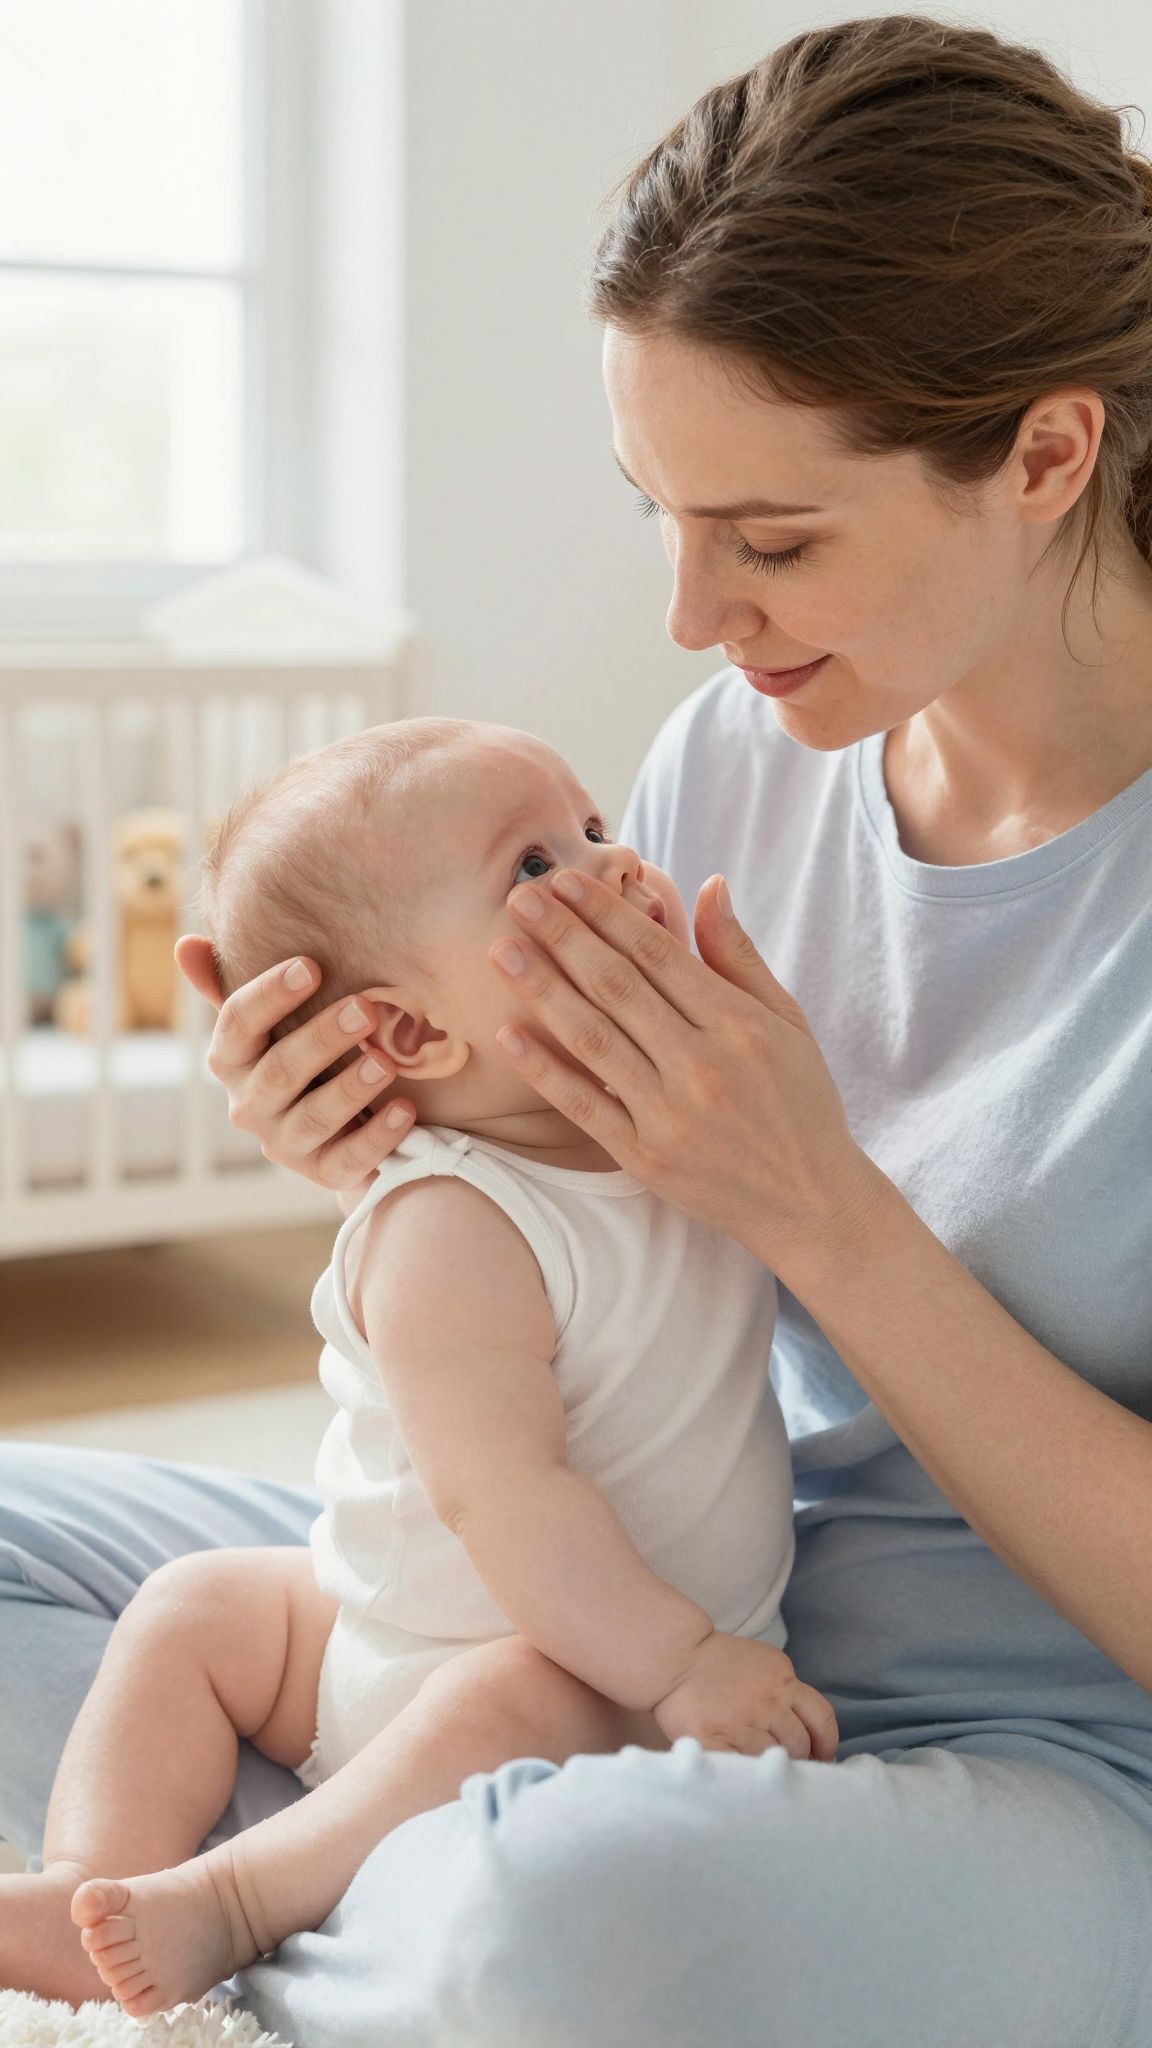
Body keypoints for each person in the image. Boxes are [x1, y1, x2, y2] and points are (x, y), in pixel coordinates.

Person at [3, 14, 1152, 2042]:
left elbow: (775, 1208)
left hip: (1031, 1737)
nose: (699, 620)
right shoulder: (749, 748)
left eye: (775, 539)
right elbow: (567, 1217)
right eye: (660, 515)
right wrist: (389, 1136)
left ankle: (332, 1887)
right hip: (651, 1574)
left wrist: (829, 1215)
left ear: (1048, 457)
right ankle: (268, 1889)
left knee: (579, 1923)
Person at [0, 719, 832, 2015]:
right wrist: (683, 1665)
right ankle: (142, 1890)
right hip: (540, 1662)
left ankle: (210, 1880)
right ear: (408, 1032)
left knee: (329, 1632)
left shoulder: (683, 1123)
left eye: (597, 830)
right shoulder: (454, 1223)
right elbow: (501, 1498)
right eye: (535, 868)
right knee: (211, 1609)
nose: (613, 869)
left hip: (518, 1665)